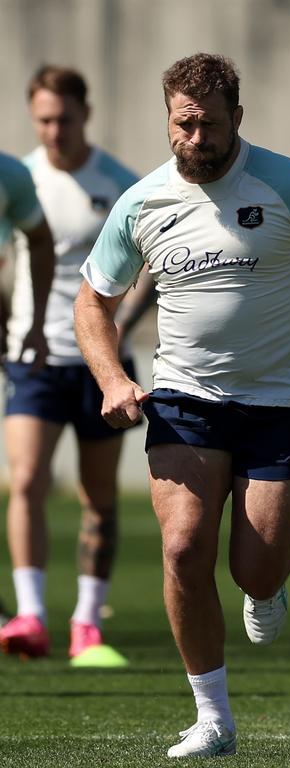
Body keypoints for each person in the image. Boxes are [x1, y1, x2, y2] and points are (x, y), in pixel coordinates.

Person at [74, 53, 290, 758]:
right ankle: (213, 717)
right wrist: (111, 379)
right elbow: (94, 299)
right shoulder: (142, 202)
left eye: (212, 126)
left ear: (237, 121)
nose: (198, 139)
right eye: (185, 125)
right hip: (186, 399)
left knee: (256, 568)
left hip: (283, 404)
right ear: (168, 121)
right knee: (184, 547)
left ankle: (267, 587)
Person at [0, 66, 153, 666]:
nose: (53, 129)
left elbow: (156, 269)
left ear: (85, 114)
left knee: (99, 496)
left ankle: (87, 624)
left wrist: (118, 333)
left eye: (63, 118)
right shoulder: (21, 178)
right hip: (32, 359)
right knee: (29, 480)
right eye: (42, 119)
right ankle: (31, 616)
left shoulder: (120, 183)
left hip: (103, 367)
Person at [0, 148, 56, 655]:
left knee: (24, 479)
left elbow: (39, 239)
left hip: (12, 345)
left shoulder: (10, 175)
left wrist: (30, 322)